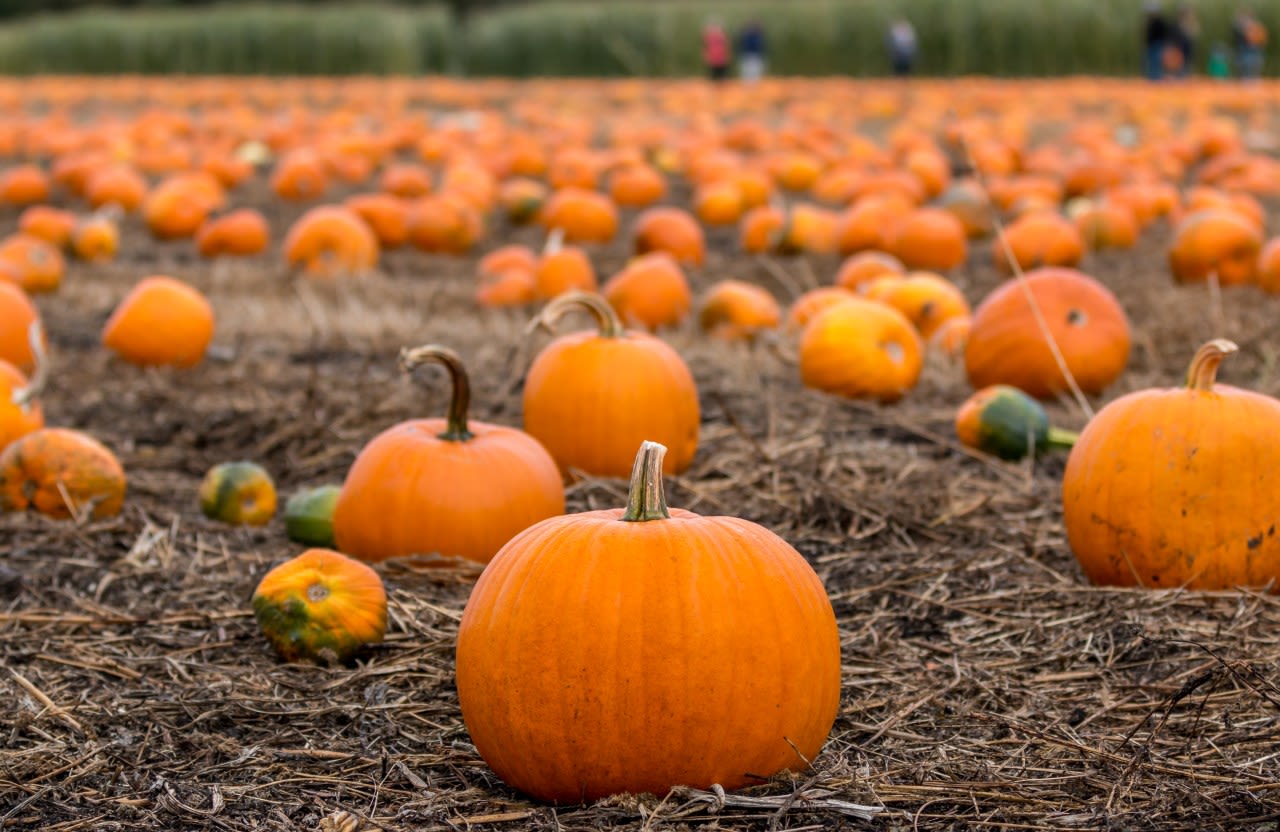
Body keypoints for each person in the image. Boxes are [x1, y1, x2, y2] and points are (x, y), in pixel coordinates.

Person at [1233, 8, 1267, 80]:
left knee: (1253, 66)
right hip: (1245, 51)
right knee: (1245, 67)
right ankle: (1245, 79)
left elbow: (1261, 39)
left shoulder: (1256, 26)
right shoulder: (1240, 27)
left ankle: (1252, 79)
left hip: (1253, 50)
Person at [1143, 1, 1170, 81]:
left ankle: (1156, 79)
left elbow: (1164, 34)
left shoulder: (1159, 21)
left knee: (1156, 63)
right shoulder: (1151, 21)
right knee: (1152, 63)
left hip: (1158, 45)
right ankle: (1153, 78)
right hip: (1152, 45)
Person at [1171, 5, 1199, 78]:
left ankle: (1185, 77)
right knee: (1179, 64)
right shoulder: (1178, 23)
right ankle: (1181, 78)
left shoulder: (1191, 23)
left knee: (1187, 64)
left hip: (1187, 48)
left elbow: (1194, 33)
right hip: (1180, 48)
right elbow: (1175, 35)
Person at [738, 19, 766, 84]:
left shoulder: (756, 35)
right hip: (750, 55)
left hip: (753, 55)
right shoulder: (751, 35)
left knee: (753, 74)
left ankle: (752, 87)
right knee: (750, 74)